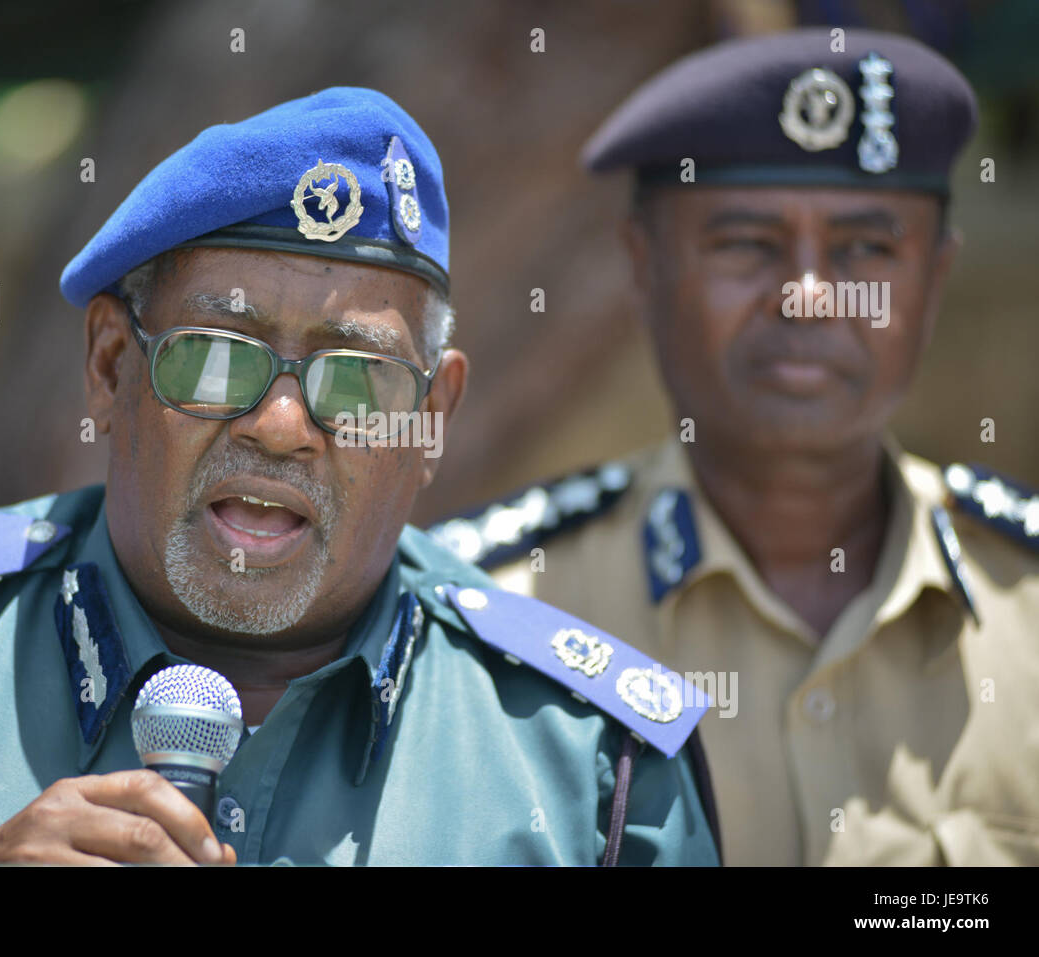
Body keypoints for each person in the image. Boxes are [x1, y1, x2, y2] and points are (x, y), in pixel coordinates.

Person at [0, 87, 717, 866]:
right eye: (216, 355)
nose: (283, 424)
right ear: (111, 369)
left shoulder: (593, 762)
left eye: (357, 375)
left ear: (430, 421)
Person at [431, 29, 1039, 866]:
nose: (807, 295)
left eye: (866, 249)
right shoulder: (487, 625)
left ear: (935, 278)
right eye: (745, 245)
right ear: (644, 269)